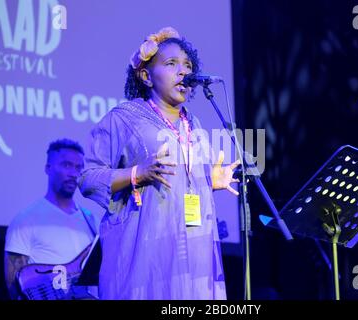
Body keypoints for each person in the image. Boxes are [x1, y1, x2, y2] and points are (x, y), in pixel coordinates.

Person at [79, 26, 240, 300]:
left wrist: (209, 181)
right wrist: (136, 174)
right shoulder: (124, 118)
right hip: (145, 260)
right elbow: (88, 178)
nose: (183, 72)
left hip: (194, 259)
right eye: (171, 64)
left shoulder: (195, 126)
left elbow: (181, 183)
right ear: (146, 76)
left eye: (188, 65)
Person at [4, 139, 99, 300]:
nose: (73, 173)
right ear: (48, 168)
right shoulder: (25, 220)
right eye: (66, 165)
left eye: (78, 167)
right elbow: (14, 286)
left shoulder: (91, 220)